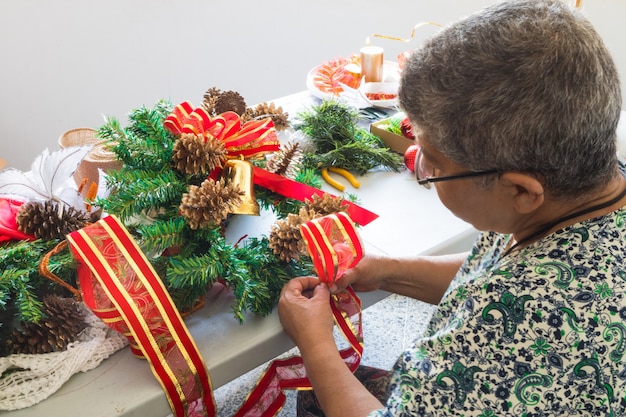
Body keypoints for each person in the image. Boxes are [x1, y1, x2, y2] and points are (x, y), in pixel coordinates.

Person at [278, 0, 626, 416]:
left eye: (433, 162)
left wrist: (315, 345)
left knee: (317, 393)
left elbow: (503, 298)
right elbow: (494, 269)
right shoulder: (584, 189)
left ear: (521, 190)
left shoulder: (514, 325)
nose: (422, 171)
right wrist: (389, 270)